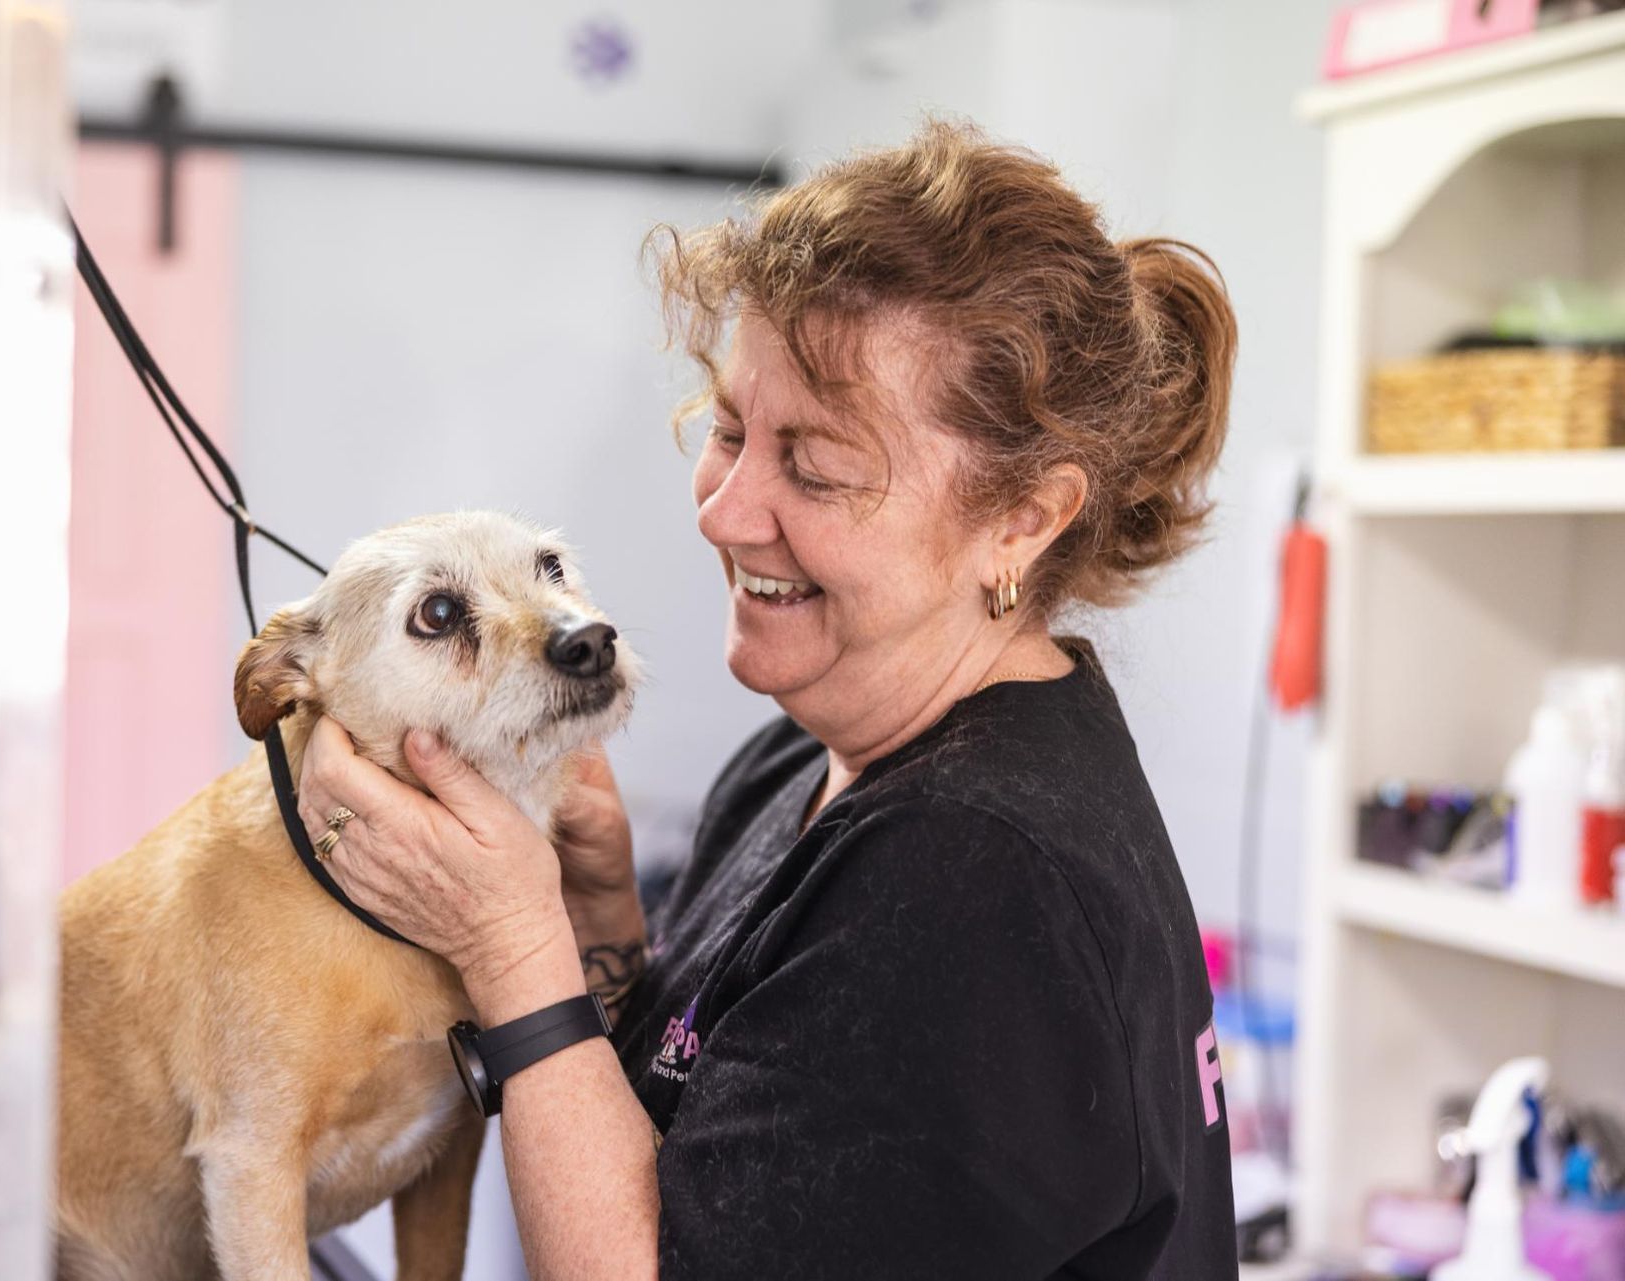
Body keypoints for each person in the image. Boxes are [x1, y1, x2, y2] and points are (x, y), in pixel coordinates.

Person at [295, 117, 1240, 1279]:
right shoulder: (805, 763)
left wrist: (511, 943)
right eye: (731, 431)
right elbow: (708, 1154)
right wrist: (594, 926)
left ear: (1024, 518)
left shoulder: (979, 882)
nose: (726, 511)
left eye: (817, 467)